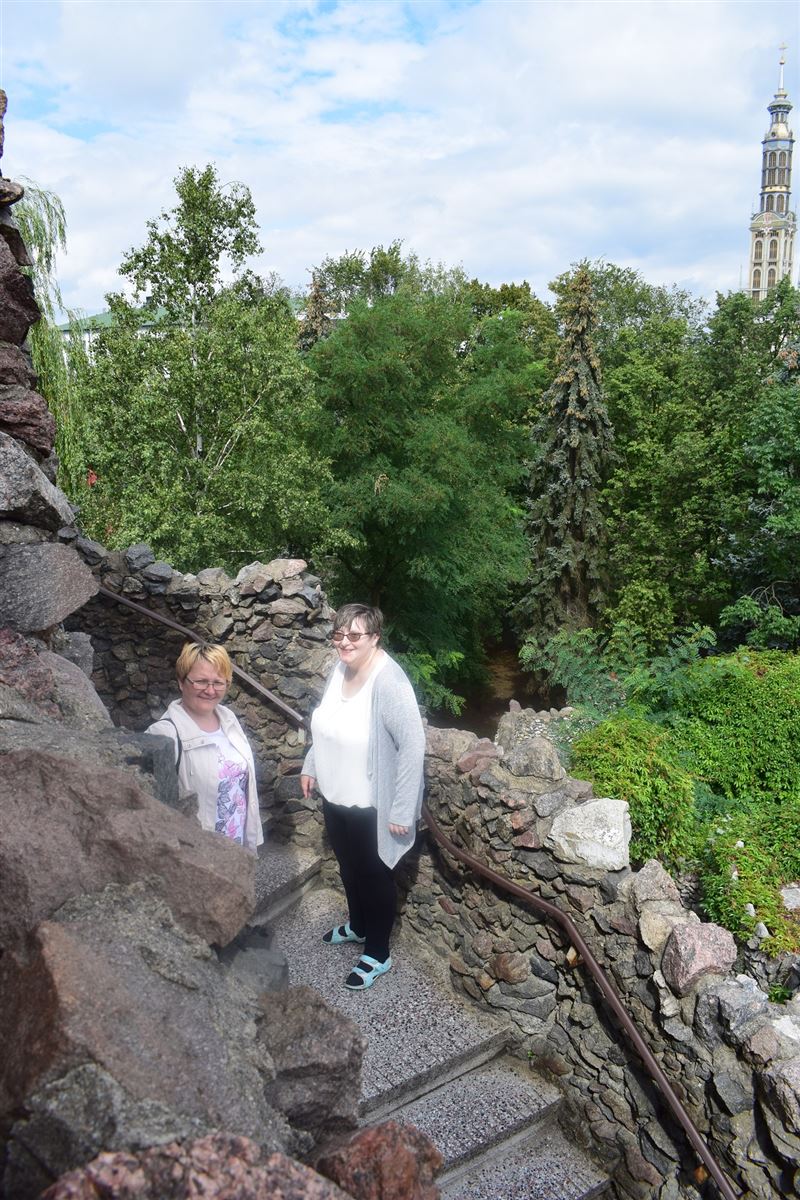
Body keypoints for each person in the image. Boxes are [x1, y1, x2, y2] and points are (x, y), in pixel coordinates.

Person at [301, 603, 426, 991]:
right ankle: (357, 926)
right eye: (339, 634)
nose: (344, 642)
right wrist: (311, 765)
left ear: (374, 638)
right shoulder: (339, 669)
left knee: (374, 875)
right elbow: (326, 722)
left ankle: (378, 952)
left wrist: (402, 808)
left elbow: (413, 745)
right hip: (335, 792)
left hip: (371, 802)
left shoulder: (389, 682)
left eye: (354, 635)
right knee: (347, 866)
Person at [147, 642, 263, 853]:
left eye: (218, 682)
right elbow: (154, 808)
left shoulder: (228, 719)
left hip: (236, 847)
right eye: (200, 681)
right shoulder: (164, 735)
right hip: (198, 855)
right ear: (181, 682)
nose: (210, 691)